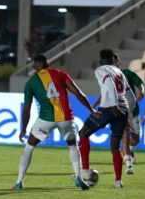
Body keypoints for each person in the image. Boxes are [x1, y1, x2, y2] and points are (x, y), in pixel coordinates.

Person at [13, 54, 101, 190]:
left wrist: (23, 129)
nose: (33, 66)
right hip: (66, 119)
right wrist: (92, 110)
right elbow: (78, 93)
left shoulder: (31, 82)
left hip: (45, 120)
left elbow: (27, 110)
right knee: (72, 145)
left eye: (34, 63)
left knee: (30, 146)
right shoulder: (61, 74)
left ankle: (19, 182)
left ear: (39, 64)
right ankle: (78, 178)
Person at [78, 48, 135, 188]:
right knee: (115, 147)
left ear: (102, 60)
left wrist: (114, 105)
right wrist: (128, 114)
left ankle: (85, 172)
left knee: (83, 133)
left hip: (109, 108)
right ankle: (118, 181)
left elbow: (109, 84)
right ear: (113, 59)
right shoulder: (120, 72)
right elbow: (132, 98)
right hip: (123, 111)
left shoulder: (101, 69)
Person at [92, 53, 144, 175]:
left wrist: (141, 91)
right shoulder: (108, 75)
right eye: (113, 60)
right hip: (119, 111)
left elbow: (139, 85)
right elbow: (105, 93)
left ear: (119, 62)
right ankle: (129, 166)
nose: (114, 62)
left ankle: (129, 152)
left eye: (116, 60)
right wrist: (94, 105)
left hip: (133, 112)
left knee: (136, 139)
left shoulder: (127, 73)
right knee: (124, 138)